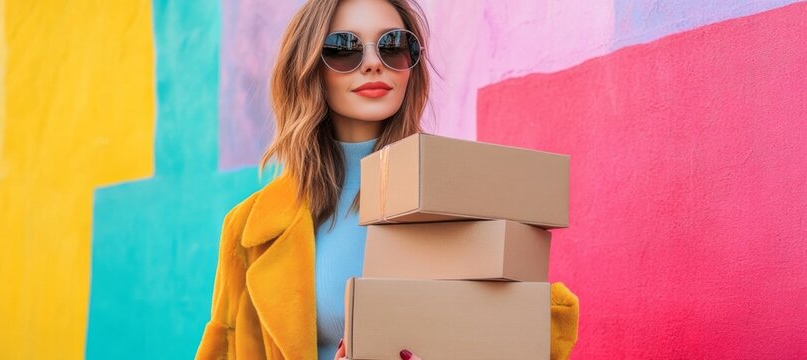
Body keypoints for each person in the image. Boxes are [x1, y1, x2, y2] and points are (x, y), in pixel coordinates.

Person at [194, 0, 579, 359]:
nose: (374, 63)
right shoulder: (249, 228)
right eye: (344, 48)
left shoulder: (460, 189)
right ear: (310, 67)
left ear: (411, 64)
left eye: (393, 45)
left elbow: (515, 330)